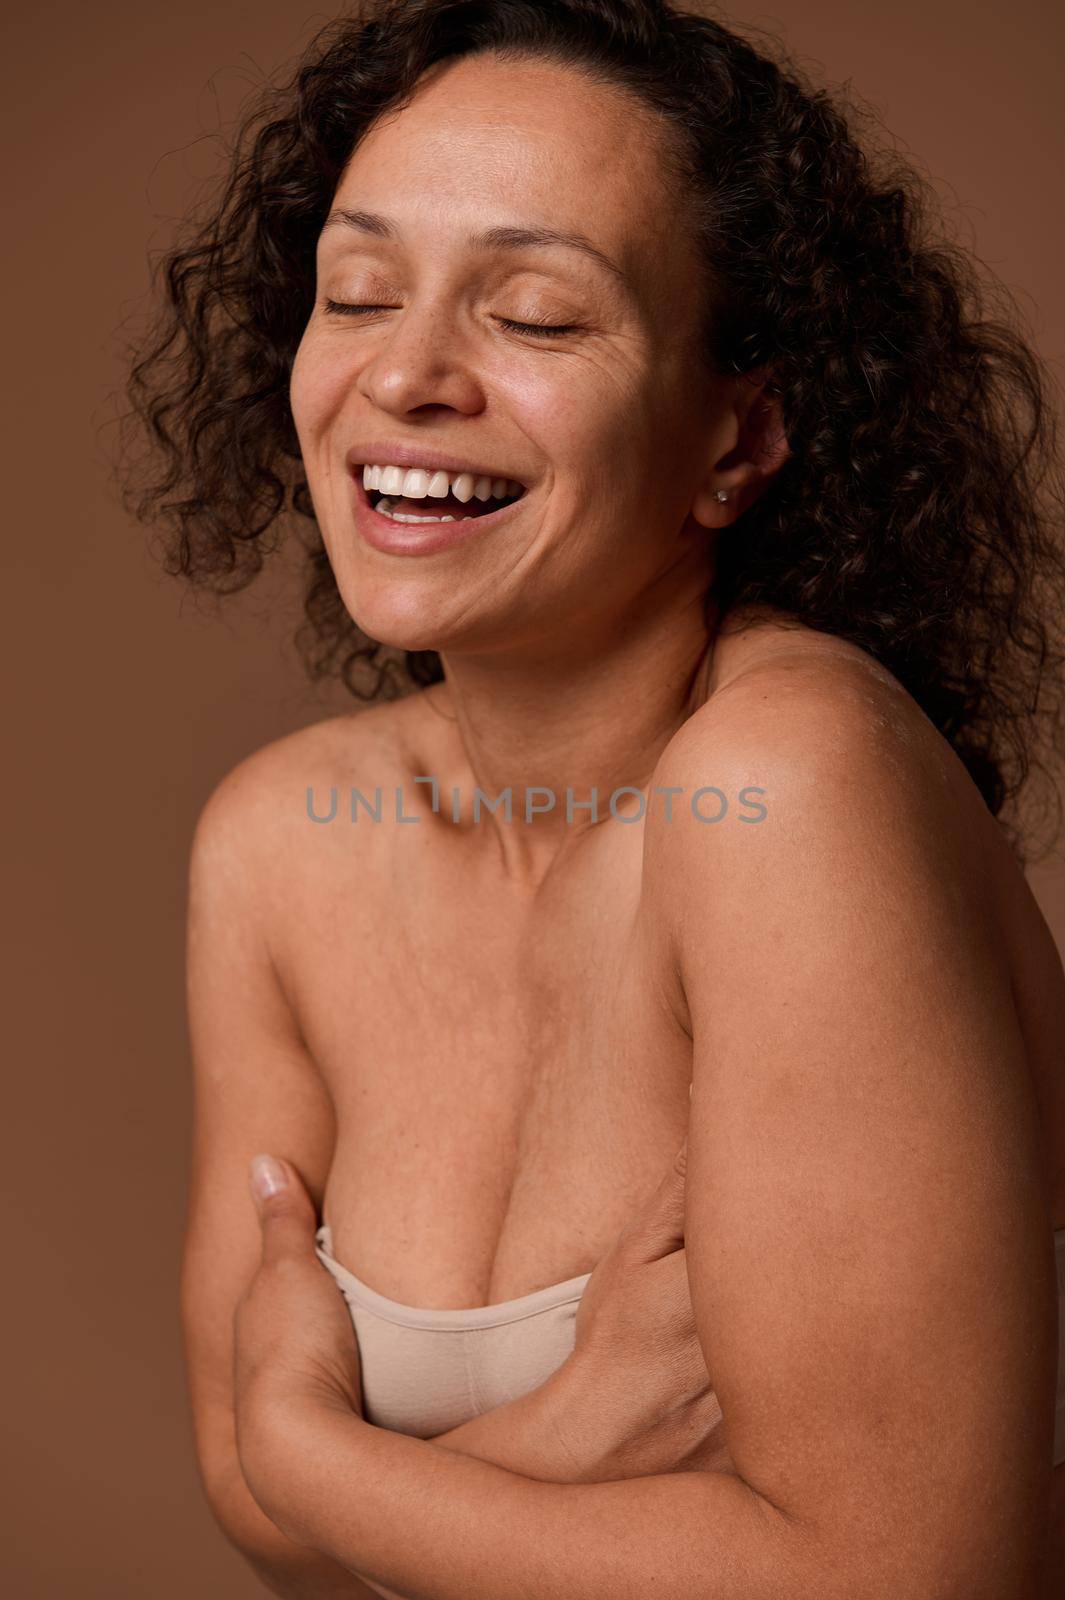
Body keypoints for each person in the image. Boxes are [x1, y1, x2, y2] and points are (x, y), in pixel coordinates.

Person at [116, 1, 1065, 1594]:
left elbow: (902, 1570)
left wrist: (304, 1441)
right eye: (356, 294)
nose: (404, 374)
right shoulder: (278, 841)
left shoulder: (787, 784)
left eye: (538, 317)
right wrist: (525, 1442)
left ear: (735, 437)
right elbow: (251, 1504)